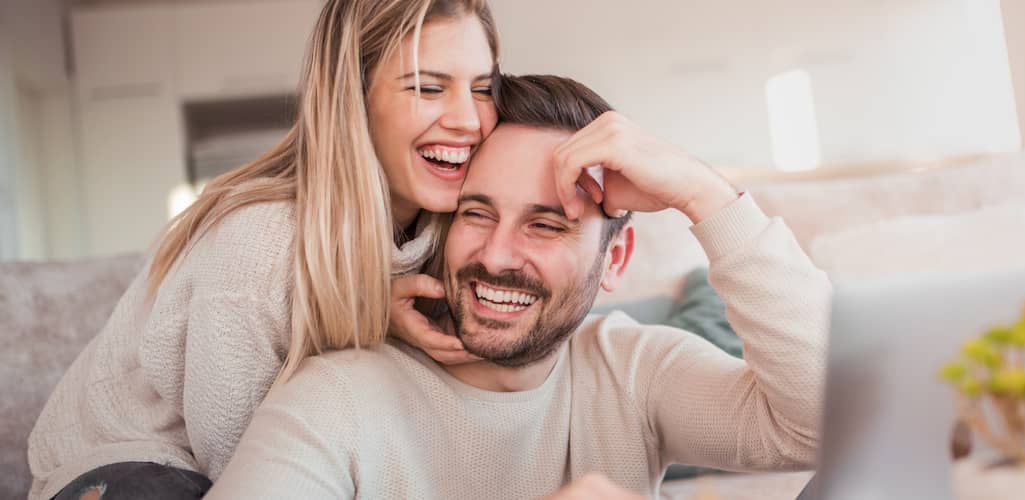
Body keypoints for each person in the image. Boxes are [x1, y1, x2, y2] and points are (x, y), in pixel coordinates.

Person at [206, 74, 831, 499]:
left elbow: (820, 423)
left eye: (547, 224)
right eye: (476, 214)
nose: (498, 255)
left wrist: (706, 194)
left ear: (617, 259)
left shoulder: (633, 369)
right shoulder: (335, 401)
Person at [27, 1, 500, 499]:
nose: (469, 119)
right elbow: (249, 474)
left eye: (483, 89)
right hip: (127, 465)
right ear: (354, 98)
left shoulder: (448, 227)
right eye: (428, 87)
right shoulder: (261, 242)